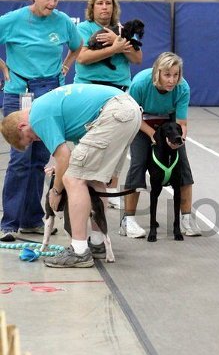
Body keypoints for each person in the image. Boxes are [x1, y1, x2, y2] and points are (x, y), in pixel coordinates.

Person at [0, 84, 142, 267]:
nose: (37, 139)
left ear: (22, 126)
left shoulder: (37, 116)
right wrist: (61, 167)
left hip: (114, 113)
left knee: (72, 179)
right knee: (92, 178)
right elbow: (72, 157)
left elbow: (64, 158)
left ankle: (79, 251)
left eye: (31, 138)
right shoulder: (48, 105)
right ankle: (98, 244)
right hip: (129, 110)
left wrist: (56, 191)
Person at [0, 0, 82, 242]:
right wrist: (3, 67)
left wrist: (66, 65)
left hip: (50, 92)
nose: (52, 4)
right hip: (19, 92)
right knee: (20, 159)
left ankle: (32, 219)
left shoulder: (63, 22)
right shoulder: (13, 20)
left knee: (39, 160)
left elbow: (77, 46)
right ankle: (9, 222)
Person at [74, 0, 142, 206]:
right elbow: (83, 58)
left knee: (118, 142)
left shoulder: (122, 29)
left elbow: (137, 58)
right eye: (100, 3)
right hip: (90, 91)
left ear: (114, 8)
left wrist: (118, 40)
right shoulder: (83, 29)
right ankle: (79, 183)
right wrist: (114, 47)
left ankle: (110, 188)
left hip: (119, 90)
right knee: (86, 140)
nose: (104, 7)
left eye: (108, 3)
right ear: (92, 8)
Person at [121, 52, 201, 238]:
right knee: (138, 164)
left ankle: (187, 219)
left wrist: (179, 141)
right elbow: (132, 116)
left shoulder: (182, 88)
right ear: (157, 72)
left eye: (175, 75)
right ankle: (128, 220)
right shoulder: (140, 83)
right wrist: (152, 134)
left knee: (183, 167)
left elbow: (182, 123)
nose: (172, 80)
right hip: (140, 121)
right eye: (167, 75)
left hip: (168, 122)